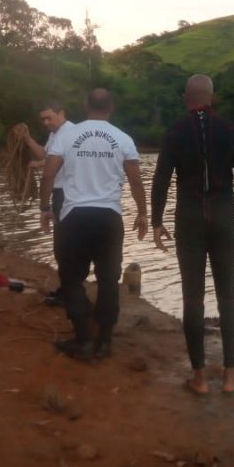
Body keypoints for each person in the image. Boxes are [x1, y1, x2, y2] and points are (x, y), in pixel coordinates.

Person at [150, 74, 234, 395]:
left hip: (190, 215)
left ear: (186, 98)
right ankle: (229, 377)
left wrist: (156, 221)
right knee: (229, 296)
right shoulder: (231, 130)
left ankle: (198, 379)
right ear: (213, 97)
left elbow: (161, 180)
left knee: (192, 299)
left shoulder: (175, 133)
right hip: (224, 213)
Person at [39, 89, 148, 360]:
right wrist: (143, 214)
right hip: (109, 218)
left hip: (75, 216)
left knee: (72, 278)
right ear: (110, 108)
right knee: (109, 280)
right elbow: (135, 181)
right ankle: (105, 341)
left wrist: (45, 208)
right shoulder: (123, 139)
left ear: (86, 106)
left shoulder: (68, 136)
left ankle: (84, 338)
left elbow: (48, 174)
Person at [14, 102, 73, 306]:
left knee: (64, 245)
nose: (46, 122)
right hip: (59, 193)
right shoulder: (55, 134)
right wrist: (28, 139)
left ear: (62, 113)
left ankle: (69, 292)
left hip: (66, 194)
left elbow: (57, 161)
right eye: (43, 119)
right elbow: (46, 155)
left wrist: (39, 165)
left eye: (49, 117)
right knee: (60, 245)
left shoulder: (70, 132)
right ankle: (67, 288)